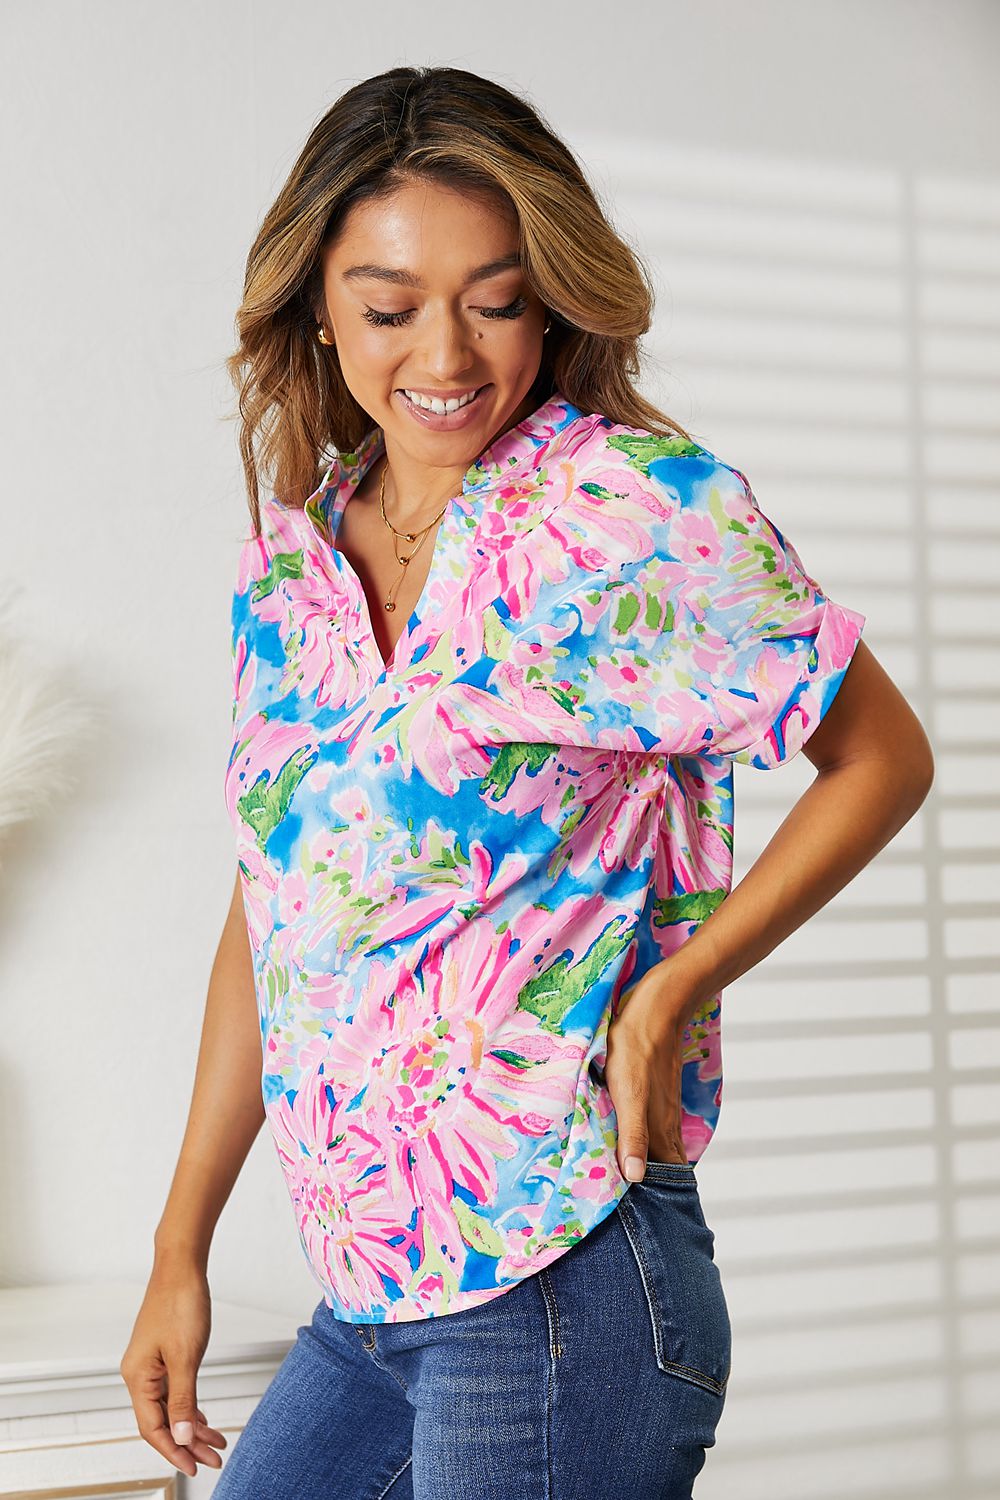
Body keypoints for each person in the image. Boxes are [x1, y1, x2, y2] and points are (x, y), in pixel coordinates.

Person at [119, 64, 934, 1499]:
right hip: (367, 1297)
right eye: (388, 305)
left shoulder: (628, 512)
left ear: (553, 293)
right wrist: (179, 1248)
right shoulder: (292, 568)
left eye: (493, 298)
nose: (446, 351)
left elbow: (882, 755)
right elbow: (278, 911)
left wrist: (677, 988)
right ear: (318, 304)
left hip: (558, 1271)